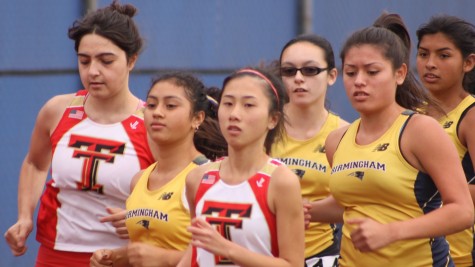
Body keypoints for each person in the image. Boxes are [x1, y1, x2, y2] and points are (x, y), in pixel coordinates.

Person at [309, 13, 474, 266]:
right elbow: (352, 204)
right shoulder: (337, 140)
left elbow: (463, 211)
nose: (359, 82)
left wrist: (391, 232)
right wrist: (302, 210)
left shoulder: (420, 130)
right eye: (351, 73)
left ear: (400, 74)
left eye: (372, 72)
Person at [4, 1, 157, 266]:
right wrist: (24, 216)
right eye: (84, 61)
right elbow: (35, 162)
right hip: (56, 252)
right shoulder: (58, 110)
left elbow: (181, 193)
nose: (93, 71)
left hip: (122, 256)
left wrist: (145, 216)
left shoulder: (153, 123)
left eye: (106, 61)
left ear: (131, 60)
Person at [90, 72, 227, 266]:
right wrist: (114, 257)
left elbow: (222, 257)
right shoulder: (139, 179)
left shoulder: (207, 177)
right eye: (151, 105)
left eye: (170, 106)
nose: (157, 113)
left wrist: (164, 259)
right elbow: (145, 250)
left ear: (197, 118)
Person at [177, 67, 305, 267]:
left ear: (273, 119)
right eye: (228, 103)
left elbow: (293, 264)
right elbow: (196, 251)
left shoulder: (281, 181)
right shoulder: (197, 178)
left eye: (248, 105)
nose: (234, 114)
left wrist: (228, 249)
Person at [271, 34, 348, 267]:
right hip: (262, 253)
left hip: (322, 253)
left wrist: (299, 211)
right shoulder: (263, 126)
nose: (298, 78)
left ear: (332, 76)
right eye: (288, 71)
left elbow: (355, 202)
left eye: (310, 70)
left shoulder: (346, 133)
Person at [416, 15, 475, 267]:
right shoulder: (412, 113)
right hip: (410, 255)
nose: (430, 64)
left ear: (468, 62)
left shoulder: (470, 115)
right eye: (423, 54)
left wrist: (429, 205)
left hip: (456, 257)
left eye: (443, 55)